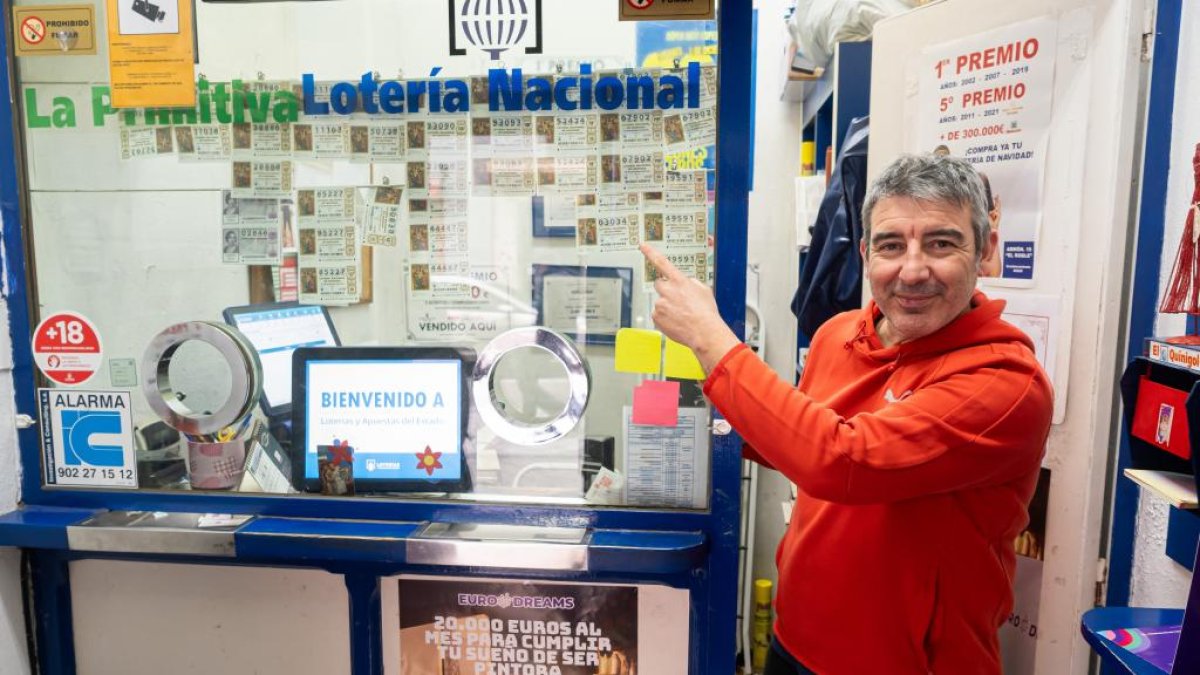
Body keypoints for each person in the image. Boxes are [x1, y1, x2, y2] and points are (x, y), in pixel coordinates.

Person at [640, 153, 1052, 675]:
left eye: (942, 243)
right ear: (863, 253)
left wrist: (711, 338)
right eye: (891, 245)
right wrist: (673, 423)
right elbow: (794, 443)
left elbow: (841, 458)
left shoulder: (1004, 384)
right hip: (794, 642)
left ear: (986, 251)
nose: (913, 269)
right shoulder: (839, 334)